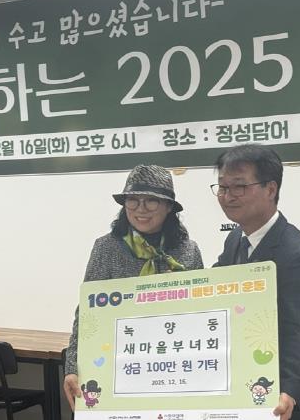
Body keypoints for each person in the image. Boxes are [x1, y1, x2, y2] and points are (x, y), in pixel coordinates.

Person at [63, 164, 204, 410]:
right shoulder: (107, 248)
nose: (141, 209)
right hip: (119, 364)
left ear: (169, 207)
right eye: (133, 200)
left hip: (174, 365)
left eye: (151, 200)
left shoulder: (188, 251)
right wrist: (73, 367)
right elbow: (87, 312)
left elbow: (201, 312)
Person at [212, 144, 300, 420]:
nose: (228, 196)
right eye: (223, 187)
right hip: (246, 388)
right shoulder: (235, 240)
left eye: (239, 186)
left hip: (287, 402)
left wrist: (289, 390)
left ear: (270, 189)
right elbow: (217, 287)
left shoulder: (299, 255)